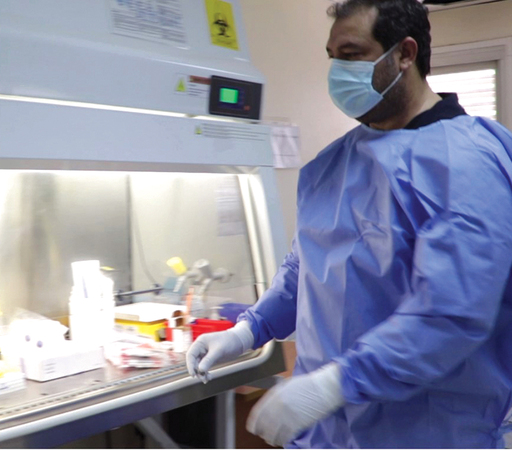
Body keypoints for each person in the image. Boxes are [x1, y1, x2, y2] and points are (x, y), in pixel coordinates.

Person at [186, 0, 512, 447]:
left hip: (424, 431)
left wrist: (333, 385)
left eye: (352, 54)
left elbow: (451, 313)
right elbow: (306, 267)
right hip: (328, 432)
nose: (338, 71)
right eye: (332, 56)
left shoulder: (466, 163)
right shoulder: (335, 162)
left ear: (405, 53)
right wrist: (248, 330)